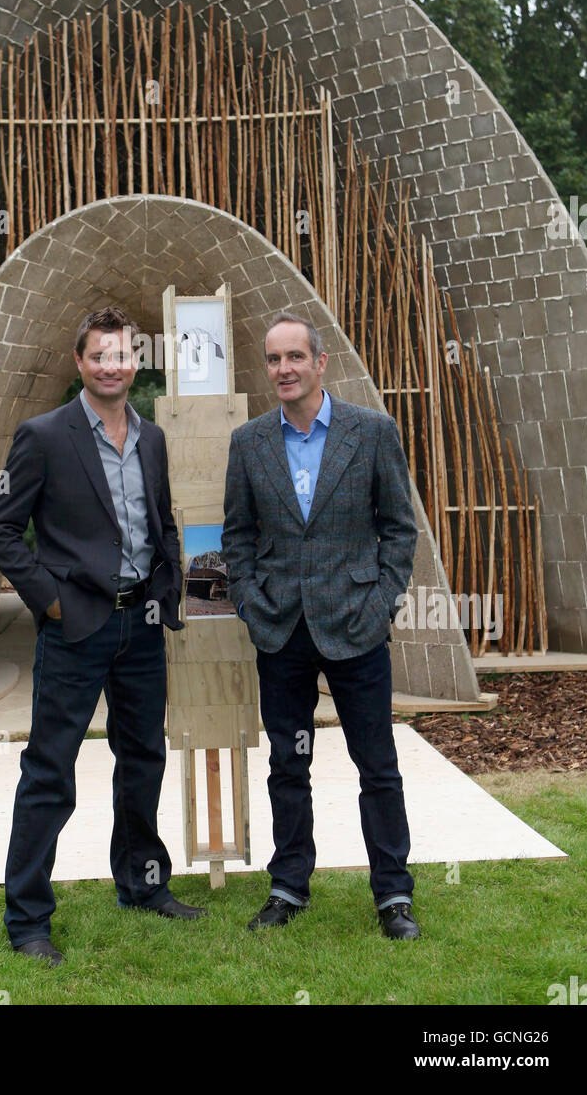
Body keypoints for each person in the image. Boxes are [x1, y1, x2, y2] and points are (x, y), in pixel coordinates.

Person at [0, 305, 205, 966]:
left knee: (143, 761)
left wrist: (167, 589)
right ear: (80, 363)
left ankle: (143, 886)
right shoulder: (44, 436)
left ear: (136, 361)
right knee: (51, 773)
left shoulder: (152, 438)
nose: (113, 366)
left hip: (142, 625)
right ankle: (27, 920)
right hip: (75, 626)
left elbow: (162, 521)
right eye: (99, 356)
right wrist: (49, 602)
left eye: (123, 355)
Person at [221, 313, 421, 939]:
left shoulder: (372, 432)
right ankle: (288, 887)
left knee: (377, 765)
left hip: (357, 626)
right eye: (274, 359)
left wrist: (383, 599)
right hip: (281, 630)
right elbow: (238, 537)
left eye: (294, 358)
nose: (283, 369)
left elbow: (399, 527)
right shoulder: (249, 442)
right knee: (288, 763)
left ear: (320, 362)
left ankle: (393, 896)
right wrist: (251, 604)